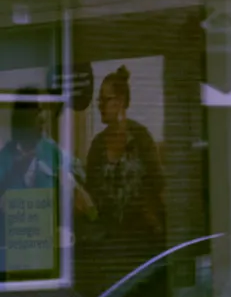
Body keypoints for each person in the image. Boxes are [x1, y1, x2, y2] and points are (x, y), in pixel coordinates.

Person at [0, 88, 94, 278]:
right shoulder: (5, 158)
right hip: (16, 252)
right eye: (37, 114)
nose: (42, 121)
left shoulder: (50, 150)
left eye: (42, 114)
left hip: (48, 251)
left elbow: (78, 175)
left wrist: (72, 182)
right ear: (22, 120)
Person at [85, 66, 166, 274]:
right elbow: (90, 193)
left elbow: (157, 184)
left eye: (105, 100)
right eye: (99, 101)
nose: (100, 106)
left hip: (141, 242)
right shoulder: (97, 145)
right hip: (108, 244)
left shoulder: (141, 138)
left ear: (120, 102)